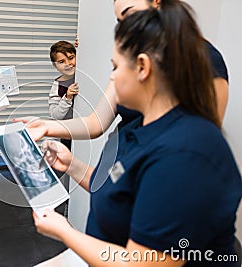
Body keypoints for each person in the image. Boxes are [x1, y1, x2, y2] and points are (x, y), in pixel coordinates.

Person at [32, 2, 242, 266]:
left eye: (115, 67)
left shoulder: (185, 154)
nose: (112, 78)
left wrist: (64, 231)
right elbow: (121, 188)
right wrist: (73, 166)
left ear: (142, 67)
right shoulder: (139, 132)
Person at [15, 0, 229, 142]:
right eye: (120, 21)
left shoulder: (205, 59)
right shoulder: (129, 62)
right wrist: (47, 126)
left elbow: (205, 143)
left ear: (157, 3)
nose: (126, 27)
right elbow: (96, 122)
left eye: (131, 14)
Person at [48, 40, 79, 150]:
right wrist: (67, 98)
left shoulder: (84, 74)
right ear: (55, 66)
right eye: (61, 62)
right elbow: (55, 115)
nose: (68, 64)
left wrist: (82, 44)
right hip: (68, 135)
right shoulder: (57, 86)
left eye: (71, 58)